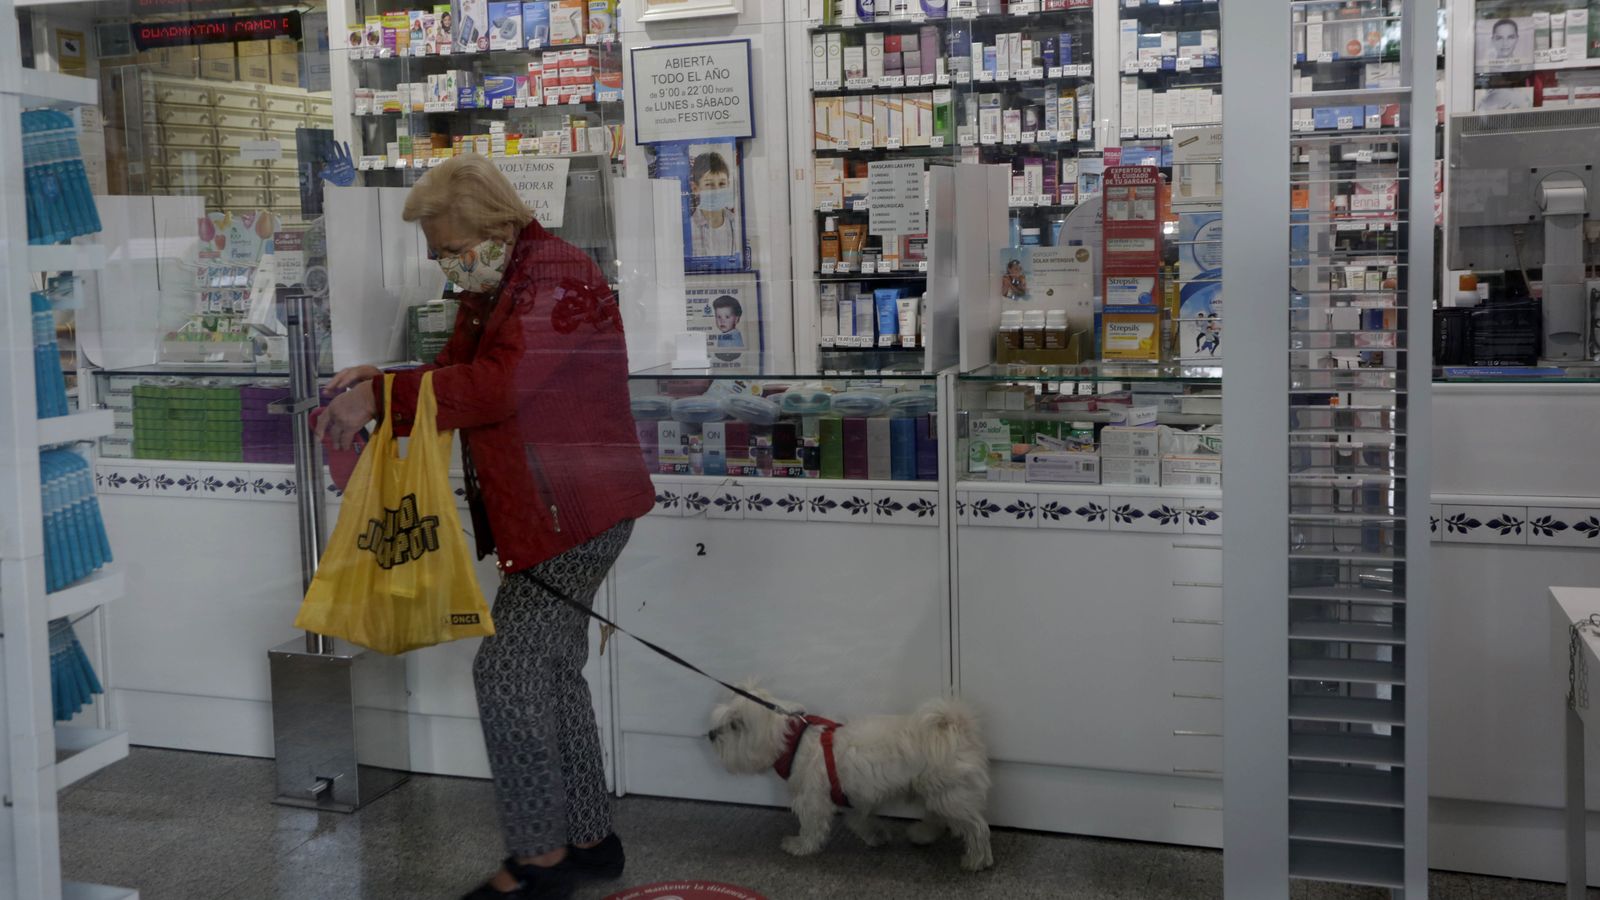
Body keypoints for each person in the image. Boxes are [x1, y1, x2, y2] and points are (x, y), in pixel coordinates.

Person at [318, 154, 655, 900]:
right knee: (551, 671)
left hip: (574, 508)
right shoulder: (499, 282)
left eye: (449, 248)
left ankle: (539, 863)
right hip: (556, 506)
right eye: (435, 251)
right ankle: (590, 842)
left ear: (496, 228)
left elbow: (499, 386)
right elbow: (457, 369)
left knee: (505, 672)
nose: (442, 264)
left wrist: (386, 399)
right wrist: (385, 382)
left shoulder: (554, 278)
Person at [688, 150, 738, 260]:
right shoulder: (688, 228)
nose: (717, 190)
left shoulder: (736, 223)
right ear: (695, 189)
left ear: (728, 185)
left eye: (722, 183)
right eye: (709, 184)